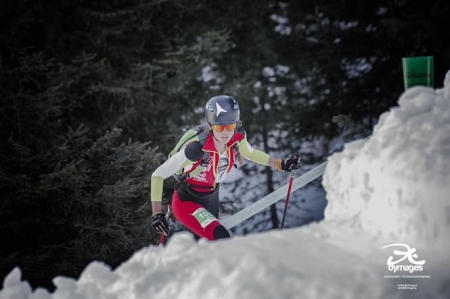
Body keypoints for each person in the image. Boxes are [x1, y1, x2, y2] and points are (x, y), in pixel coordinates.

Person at [150, 95, 301, 241]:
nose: (225, 132)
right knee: (220, 237)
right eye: (219, 127)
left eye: (230, 126)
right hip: (187, 201)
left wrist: (279, 163)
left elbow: (252, 154)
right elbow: (158, 175)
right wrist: (157, 214)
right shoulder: (196, 149)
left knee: (210, 245)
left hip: (212, 198)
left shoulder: (236, 139)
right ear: (210, 125)